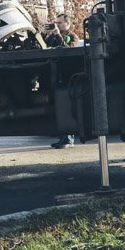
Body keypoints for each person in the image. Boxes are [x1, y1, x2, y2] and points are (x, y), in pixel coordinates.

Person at [47, 13, 77, 149]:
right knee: (59, 106)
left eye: (60, 23)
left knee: (66, 105)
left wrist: (58, 35)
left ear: (67, 23)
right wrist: (46, 34)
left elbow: (68, 50)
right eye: (56, 23)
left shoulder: (73, 36)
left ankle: (68, 138)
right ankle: (63, 137)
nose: (57, 25)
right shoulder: (53, 35)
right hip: (56, 74)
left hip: (68, 75)